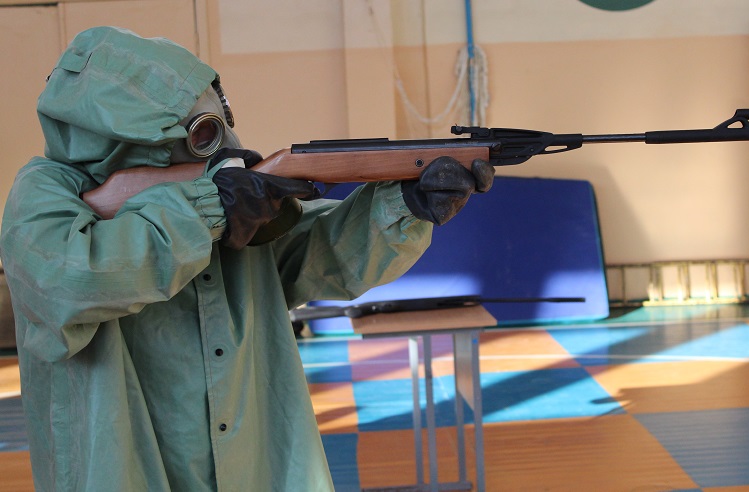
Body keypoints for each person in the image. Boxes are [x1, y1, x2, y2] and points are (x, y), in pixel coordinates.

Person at [0, 26, 494, 491]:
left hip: (251, 457)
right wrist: (208, 208)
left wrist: (402, 206)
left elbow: (317, 258)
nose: (200, 153)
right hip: (122, 461)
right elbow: (69, 282)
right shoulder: (46, 192)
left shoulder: (218, 194)